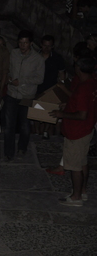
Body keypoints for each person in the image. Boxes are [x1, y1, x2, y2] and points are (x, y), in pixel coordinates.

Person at [49, 57, 97, 206]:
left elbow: (82, 115)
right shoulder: (92, 83)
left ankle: (75, 197)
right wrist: (69, 104)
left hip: (77, 132)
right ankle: (82, 191)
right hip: (87, 130)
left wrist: (61, 114)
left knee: (74, 166)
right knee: (82, 163)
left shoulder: (83, 88)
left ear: (78, 68)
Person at [3, 31, 45, 161]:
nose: (23, 45)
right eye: (20, 42)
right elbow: (8, 69)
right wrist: (9, 78)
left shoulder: (38, 59)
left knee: (25, 125)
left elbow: (40, 78)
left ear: (31, 43)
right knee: (9, 125)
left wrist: (21, 81)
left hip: (27, 95)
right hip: (11, 93)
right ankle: (9, 152)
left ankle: (22, 147)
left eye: (25, 43)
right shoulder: (13, 54)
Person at [36, 35, 66, 140]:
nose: (46, 48)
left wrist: (61, 87)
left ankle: (45, 132)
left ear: (52, 46)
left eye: (49, 46)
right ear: (41, 45)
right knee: (37, 114)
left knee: (49, 113)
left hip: (51, 89)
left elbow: (62, 73)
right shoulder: (35, 56)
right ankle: (38, 133)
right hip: (37, 89)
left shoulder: (57, 58)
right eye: (44, 46)